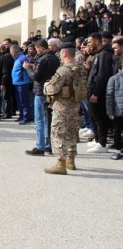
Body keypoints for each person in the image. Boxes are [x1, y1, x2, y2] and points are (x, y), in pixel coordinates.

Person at [43, 42, 82, 175]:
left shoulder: (63, 70)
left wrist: (46, 85)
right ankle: (71, 160)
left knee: (58, 133)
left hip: (62, 107)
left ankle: (60, 164)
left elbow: (52, 88)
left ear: (64, 53)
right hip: (75, 105)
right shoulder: (80, 68)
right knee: (72, 132)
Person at [23, 39, 60, 156]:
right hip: (52, 91)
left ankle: (40, 146)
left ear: (40, 48)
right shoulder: (55, 58)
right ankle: (48, 145)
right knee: (48, 118)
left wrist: (27, 68)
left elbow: (36, 76)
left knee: (40, 119)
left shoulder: (42, 58)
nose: (36, 51)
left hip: (41, 91)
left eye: (37, 49)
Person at [86, 32, 114, 153]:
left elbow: (102, 75)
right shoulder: (98, 54)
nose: (88, 44)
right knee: (94, 116)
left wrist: (96, 93)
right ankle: (97, 139)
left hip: (98, 92)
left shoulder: (105, 54)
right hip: (92, 89)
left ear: (97, 41)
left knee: (99, 117)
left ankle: (102, 143)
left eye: (90, 41)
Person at [9, 45, 33, 124]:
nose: (11, 54)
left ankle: (27, 117)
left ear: (14, 51)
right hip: (18, 83)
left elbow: (27, 68)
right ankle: (22, 115)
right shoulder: (17, 58)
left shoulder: (22, 58)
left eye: (11, 52)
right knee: (20, 101)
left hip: (23, 83)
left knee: (24, 101)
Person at [107, 62, 123, 159]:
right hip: (118, 111)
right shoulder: (114, 79)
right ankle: (118, 150)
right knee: (117, 132)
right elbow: (109, 96)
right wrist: (110, 111)